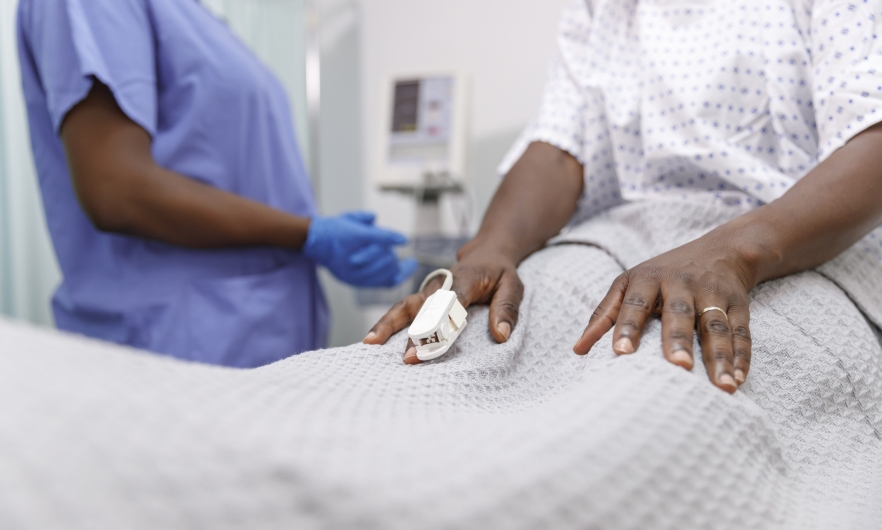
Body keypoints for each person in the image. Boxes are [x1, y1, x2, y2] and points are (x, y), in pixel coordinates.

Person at [364, 0, 882, 394]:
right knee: (441, 367)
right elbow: (561, 148)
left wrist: (734, 254)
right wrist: (491, 247)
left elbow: (872, 135)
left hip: (789, 243)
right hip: (616, 244)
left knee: (655, 386)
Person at [16, 0, 416, 368]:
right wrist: (308, 234)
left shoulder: (194, 16)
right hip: (179, 345)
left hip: (251, 341)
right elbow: (116, 191)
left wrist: (312, 237)